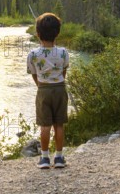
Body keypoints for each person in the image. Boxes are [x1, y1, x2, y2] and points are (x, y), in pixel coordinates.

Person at [26, 13, 69, 169]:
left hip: (43, 90)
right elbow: (64, 72)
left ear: (38, 33)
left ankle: (44, 158)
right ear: (57, 33)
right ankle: (59, 157)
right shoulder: (64, 53)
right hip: (60, 89)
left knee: (45, 125)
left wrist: (42, 85)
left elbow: (33, 74)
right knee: (59, 124)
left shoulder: (33, 55)